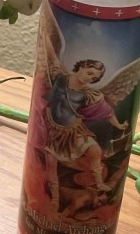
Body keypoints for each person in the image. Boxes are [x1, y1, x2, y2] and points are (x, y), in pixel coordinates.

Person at [42, 59, 129, 208]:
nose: (90, 78)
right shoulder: (60, 77)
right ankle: (55, 198)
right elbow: (50, 55)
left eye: (94, 78)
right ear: (82, 66)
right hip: (53, 129)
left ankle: (99, 183)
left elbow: (106, 112)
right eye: (89, 73)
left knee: (95, 150)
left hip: (73, 129)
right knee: (51, 162)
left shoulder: (88, 94)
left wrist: (119, 125)